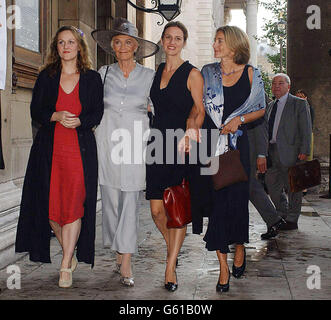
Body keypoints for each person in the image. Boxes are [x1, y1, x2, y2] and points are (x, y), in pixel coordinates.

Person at [15, 26, 104, 288]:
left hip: (80, 150)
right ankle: (69, 249)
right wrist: (54, 116)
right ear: (57, 47)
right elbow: (36, 111)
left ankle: (66, 263)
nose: (66, 47)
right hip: (49, 150)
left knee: (75, 204)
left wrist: (81, 121)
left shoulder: (92, 79)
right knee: (51, 208)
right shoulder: (46, 76)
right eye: (61, 43)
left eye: (71, 42)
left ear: (79, 47)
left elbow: (97, 112)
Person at [91, 18, 159, 287]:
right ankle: (118, 247)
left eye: (127, 42)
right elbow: (91, 107)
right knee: (110, 200)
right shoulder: (102, 73)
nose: (122, 46)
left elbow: (161, 107)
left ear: (136, 46)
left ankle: (127, 259)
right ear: (112, 46)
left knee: (130, 199)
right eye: (117, 42)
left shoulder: (149, 76)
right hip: (106, 140)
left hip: (134, 143)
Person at [201, 26, 266, 293]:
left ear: (233, 45)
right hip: (212, 147)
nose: (215, 44)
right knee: (217, 207)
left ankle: (239, 246)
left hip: (239, 149)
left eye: (219, 41)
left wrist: (239, 118)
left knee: (238, 204)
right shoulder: (207, 72)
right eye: (215, 40)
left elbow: (260, 108)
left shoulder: (251, 73)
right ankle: (223, 268)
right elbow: (197, 105)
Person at [146, 21, 205, 292]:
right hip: (156, 142)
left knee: (176, 208)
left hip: (179, 145)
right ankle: (174, 249)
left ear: (184, 42)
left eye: (178, 38)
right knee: (157, 210)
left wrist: (191, 130)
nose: (172, 42)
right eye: (168, 37)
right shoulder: (157, 71)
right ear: (161, 40)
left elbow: (199, 109)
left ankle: (170, 268)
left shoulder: (192, 73)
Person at [265, 74, 312, 230]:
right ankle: (282, 213)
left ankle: (292, 219)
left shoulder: (298, 103)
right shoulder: (271, 105)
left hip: (291, 151)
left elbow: (306, 128)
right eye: (274, 83)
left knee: (294, 187)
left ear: (288, 86)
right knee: (271, 185)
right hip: (271, 152)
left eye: (280, 83)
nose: (276, 86)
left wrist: (305, 150)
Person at [247, 117, 287, 240]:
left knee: (250, 185)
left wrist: (261, 154)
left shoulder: (256, 97)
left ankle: (273, 220)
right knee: (249, 187)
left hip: (249, 150)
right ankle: (273, 220)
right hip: (240, 148)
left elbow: (261, 127)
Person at [295, 89, 315, 196]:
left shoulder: (308, 108)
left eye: (301, 97)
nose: (299, 99)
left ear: (305, 98)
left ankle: (305, 187)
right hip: (296, 139)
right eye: (297, 97)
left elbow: (308, 126)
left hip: (306, 137)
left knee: (305, 163)